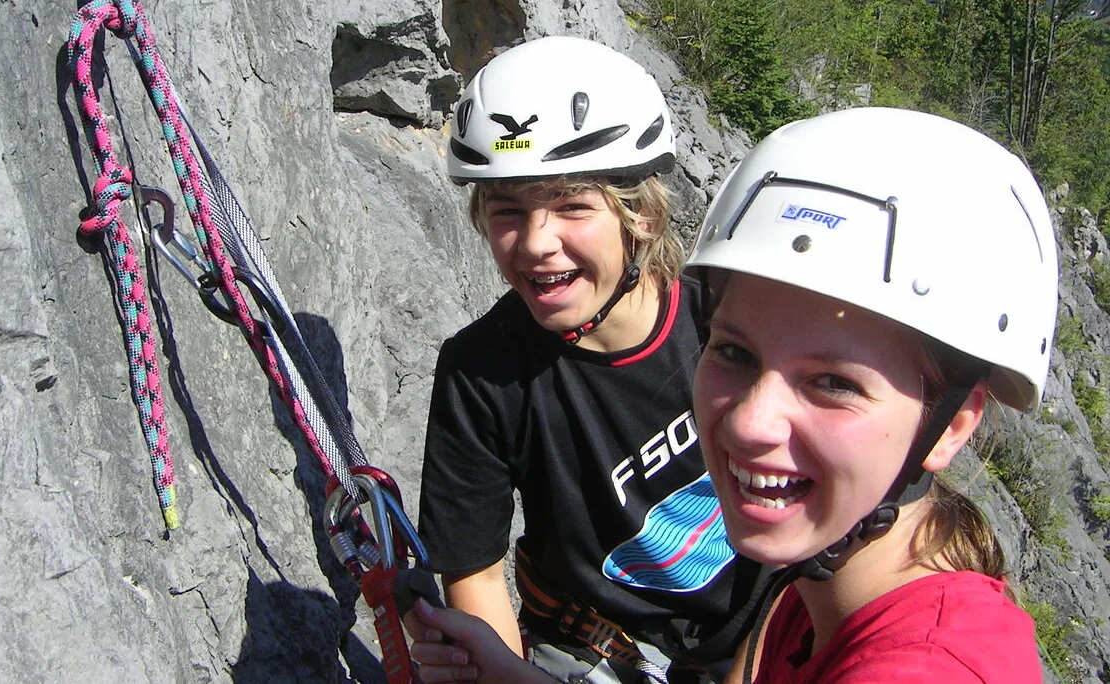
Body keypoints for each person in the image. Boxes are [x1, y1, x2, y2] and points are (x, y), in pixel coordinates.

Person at [408, 106, 1056, 683]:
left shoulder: (921, 664)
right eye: (735, 353)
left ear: (952, 424)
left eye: (834, 382)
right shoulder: (817, 600)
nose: (750, 423)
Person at [417, 36, 765, 683]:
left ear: (640, 215)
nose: (535, 243)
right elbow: (475, 573)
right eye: (508, 211)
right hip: (598, 647)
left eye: (572, 206)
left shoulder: (723, 324)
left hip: (765, 624)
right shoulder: (481, 373)